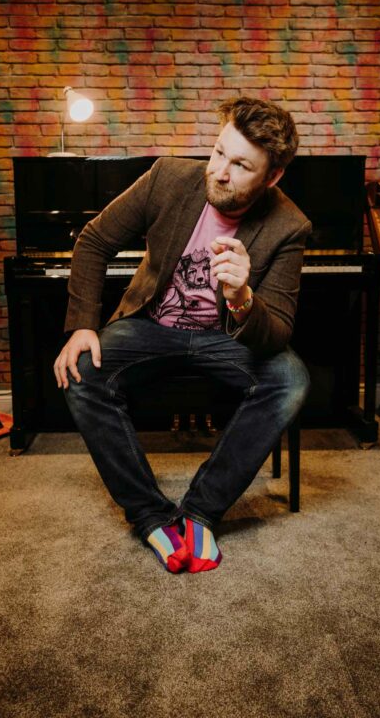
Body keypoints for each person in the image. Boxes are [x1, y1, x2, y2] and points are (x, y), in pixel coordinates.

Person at [53, 96, 312, 574]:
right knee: (81, 368)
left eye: (240, 165)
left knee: (291, 378)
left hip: (226, 341)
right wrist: (82, 326)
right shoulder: (168, 177)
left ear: (272, 177)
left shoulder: (289, 225)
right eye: (218, 153)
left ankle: (200, 513)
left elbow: (277, 331)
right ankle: (150, 514)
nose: (219, 171)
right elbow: (93, 240)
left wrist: (241, 297)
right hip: (150, 325)